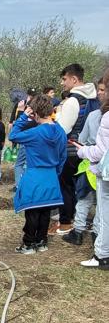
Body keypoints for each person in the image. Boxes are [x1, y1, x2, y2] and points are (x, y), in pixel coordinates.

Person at [9, 94, 67, 253]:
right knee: (45, 211)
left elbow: (12, 136)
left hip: (34, 176)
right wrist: (56, 173)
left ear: (34, 113)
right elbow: (63, 156)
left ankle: (28, 244)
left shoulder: (35, 132)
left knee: (32, 212)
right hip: (51, 176)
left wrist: (22, 116)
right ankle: (41, 241)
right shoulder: (60, 131)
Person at [50, 64, 98, 234]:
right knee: (80, 188)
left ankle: (65, 223)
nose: (62, 83)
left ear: (74, 79)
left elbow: (63, 129)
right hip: (88, 148)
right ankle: (79, 219)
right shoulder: (94, 98)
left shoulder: (73, 100)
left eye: (64, 79)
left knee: (66, 186)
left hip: (70, 149)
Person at [71, 68, 109, 270]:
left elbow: (99, 150)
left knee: (94, 204)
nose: (100, 93)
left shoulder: (101, 116)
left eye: (103, 88)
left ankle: (101, 253)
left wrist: (83, 151)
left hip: (100, 169)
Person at [61, 78, 105, 246]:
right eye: (99, 89)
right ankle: (96, 232)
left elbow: (82, 139)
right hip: (98, 162)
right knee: (98, 201)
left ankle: (78, 231)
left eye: (102, 90)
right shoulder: (93, 114)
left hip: (90, 161)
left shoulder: (93, 116)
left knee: (85, 197)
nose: (100, 93)